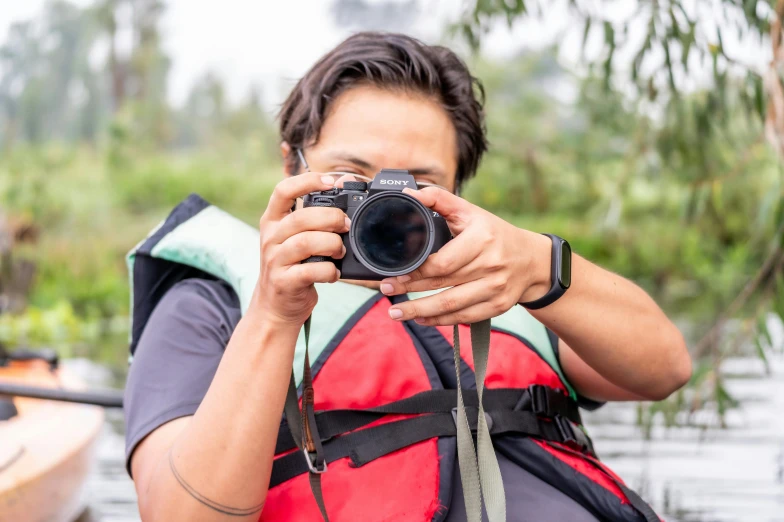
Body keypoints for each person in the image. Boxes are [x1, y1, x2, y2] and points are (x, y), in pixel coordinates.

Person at [123, 32, 691, 522]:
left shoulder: (508, 282)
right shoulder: (213, 302)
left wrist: (544, 266)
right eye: (350, 176)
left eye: (418, 183)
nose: (381, 205)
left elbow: (664, 370)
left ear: (456, 191)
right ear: (291, 165)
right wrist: (274, 318)